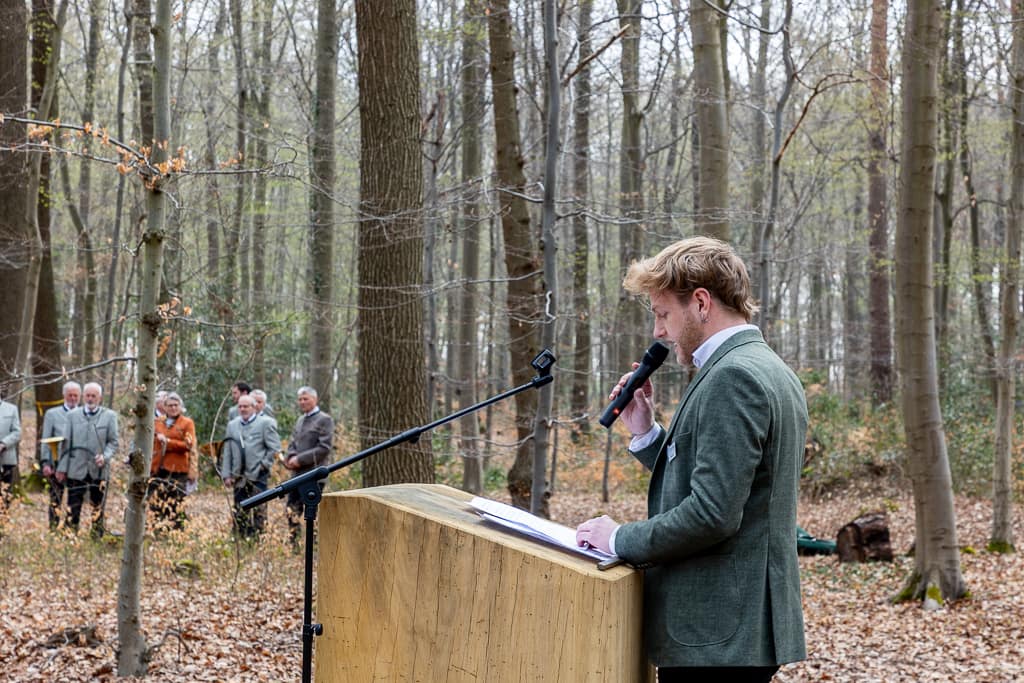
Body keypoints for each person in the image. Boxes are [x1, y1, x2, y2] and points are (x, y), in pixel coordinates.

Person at [575, 237, 808, 683]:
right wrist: (646, 434)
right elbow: (727, 482)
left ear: (701, 302)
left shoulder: (732, 376)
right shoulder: (767, 368)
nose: (658, 332)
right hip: (733, 630)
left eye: (663, 315)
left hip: (715, 633)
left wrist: (618, 539)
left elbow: (712, 514)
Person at [56, 382, 119, 537]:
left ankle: (97, 535)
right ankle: (70, 533)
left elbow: (113, 442)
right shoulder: (72, 416)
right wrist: (62, 468)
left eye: (94, 396)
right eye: (88, 396)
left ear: (100, 398)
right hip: (76, 469)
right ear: (83, 396)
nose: (90, 399)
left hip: (98, 470)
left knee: (97, 505)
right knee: (73, 504)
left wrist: (105, 456)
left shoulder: (109, 416)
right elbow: (65, 444)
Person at [220, 394, 281, 539]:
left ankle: (259, 538)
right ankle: (241, 539)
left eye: (246, 406)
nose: (242, 409)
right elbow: (227, 451)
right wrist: (226, 474)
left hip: (258, 475)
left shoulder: (266, 423)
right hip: (238, 476)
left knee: (259, 509)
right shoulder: (232, 425)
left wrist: (263, 465)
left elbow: (274, 448)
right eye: (240, 406)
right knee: (240, 508)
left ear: (254, 407)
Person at [282, 386, 334, 543]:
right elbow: (293, 442)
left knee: (313, 512)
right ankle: (294, 543)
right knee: (292, 509)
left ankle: (316, 545)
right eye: (300, 399)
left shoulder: (325, 419)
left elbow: (324, 448)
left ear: (315, 399)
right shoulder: (300, 420)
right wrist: (290, 457)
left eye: (306, 399)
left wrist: (300, 459)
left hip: (314, 475)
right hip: (297, 475)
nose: (302, 402)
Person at [148, 392, 197, 531]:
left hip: (178, 470)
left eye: (176, 405)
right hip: (159, 469)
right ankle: (157, 532)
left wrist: (168, 442)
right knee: (156, 503)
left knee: (176, 504)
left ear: (180, 407)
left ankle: (177, 535)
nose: (173, 408)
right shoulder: (158, 422)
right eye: (170, 405)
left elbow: (188, 444)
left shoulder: (187, 423)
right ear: (165, 407)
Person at [38, 381, 82, 529]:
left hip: (77, 466)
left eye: (76, 395)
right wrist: (45, 463)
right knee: (55, 499)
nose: (73, 398)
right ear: (64, 395)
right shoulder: (52, 414)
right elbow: (45, 440)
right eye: (70, 395)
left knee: (75, 500)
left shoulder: (84, 414)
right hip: (56, 464)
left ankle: (71, 529)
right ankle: (53, 528)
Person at [0, 390, 22, 523]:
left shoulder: (11, 409)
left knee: (5, 493)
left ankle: (3, 523)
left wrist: (3, 444)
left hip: (6, 459)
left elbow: (17, 432)